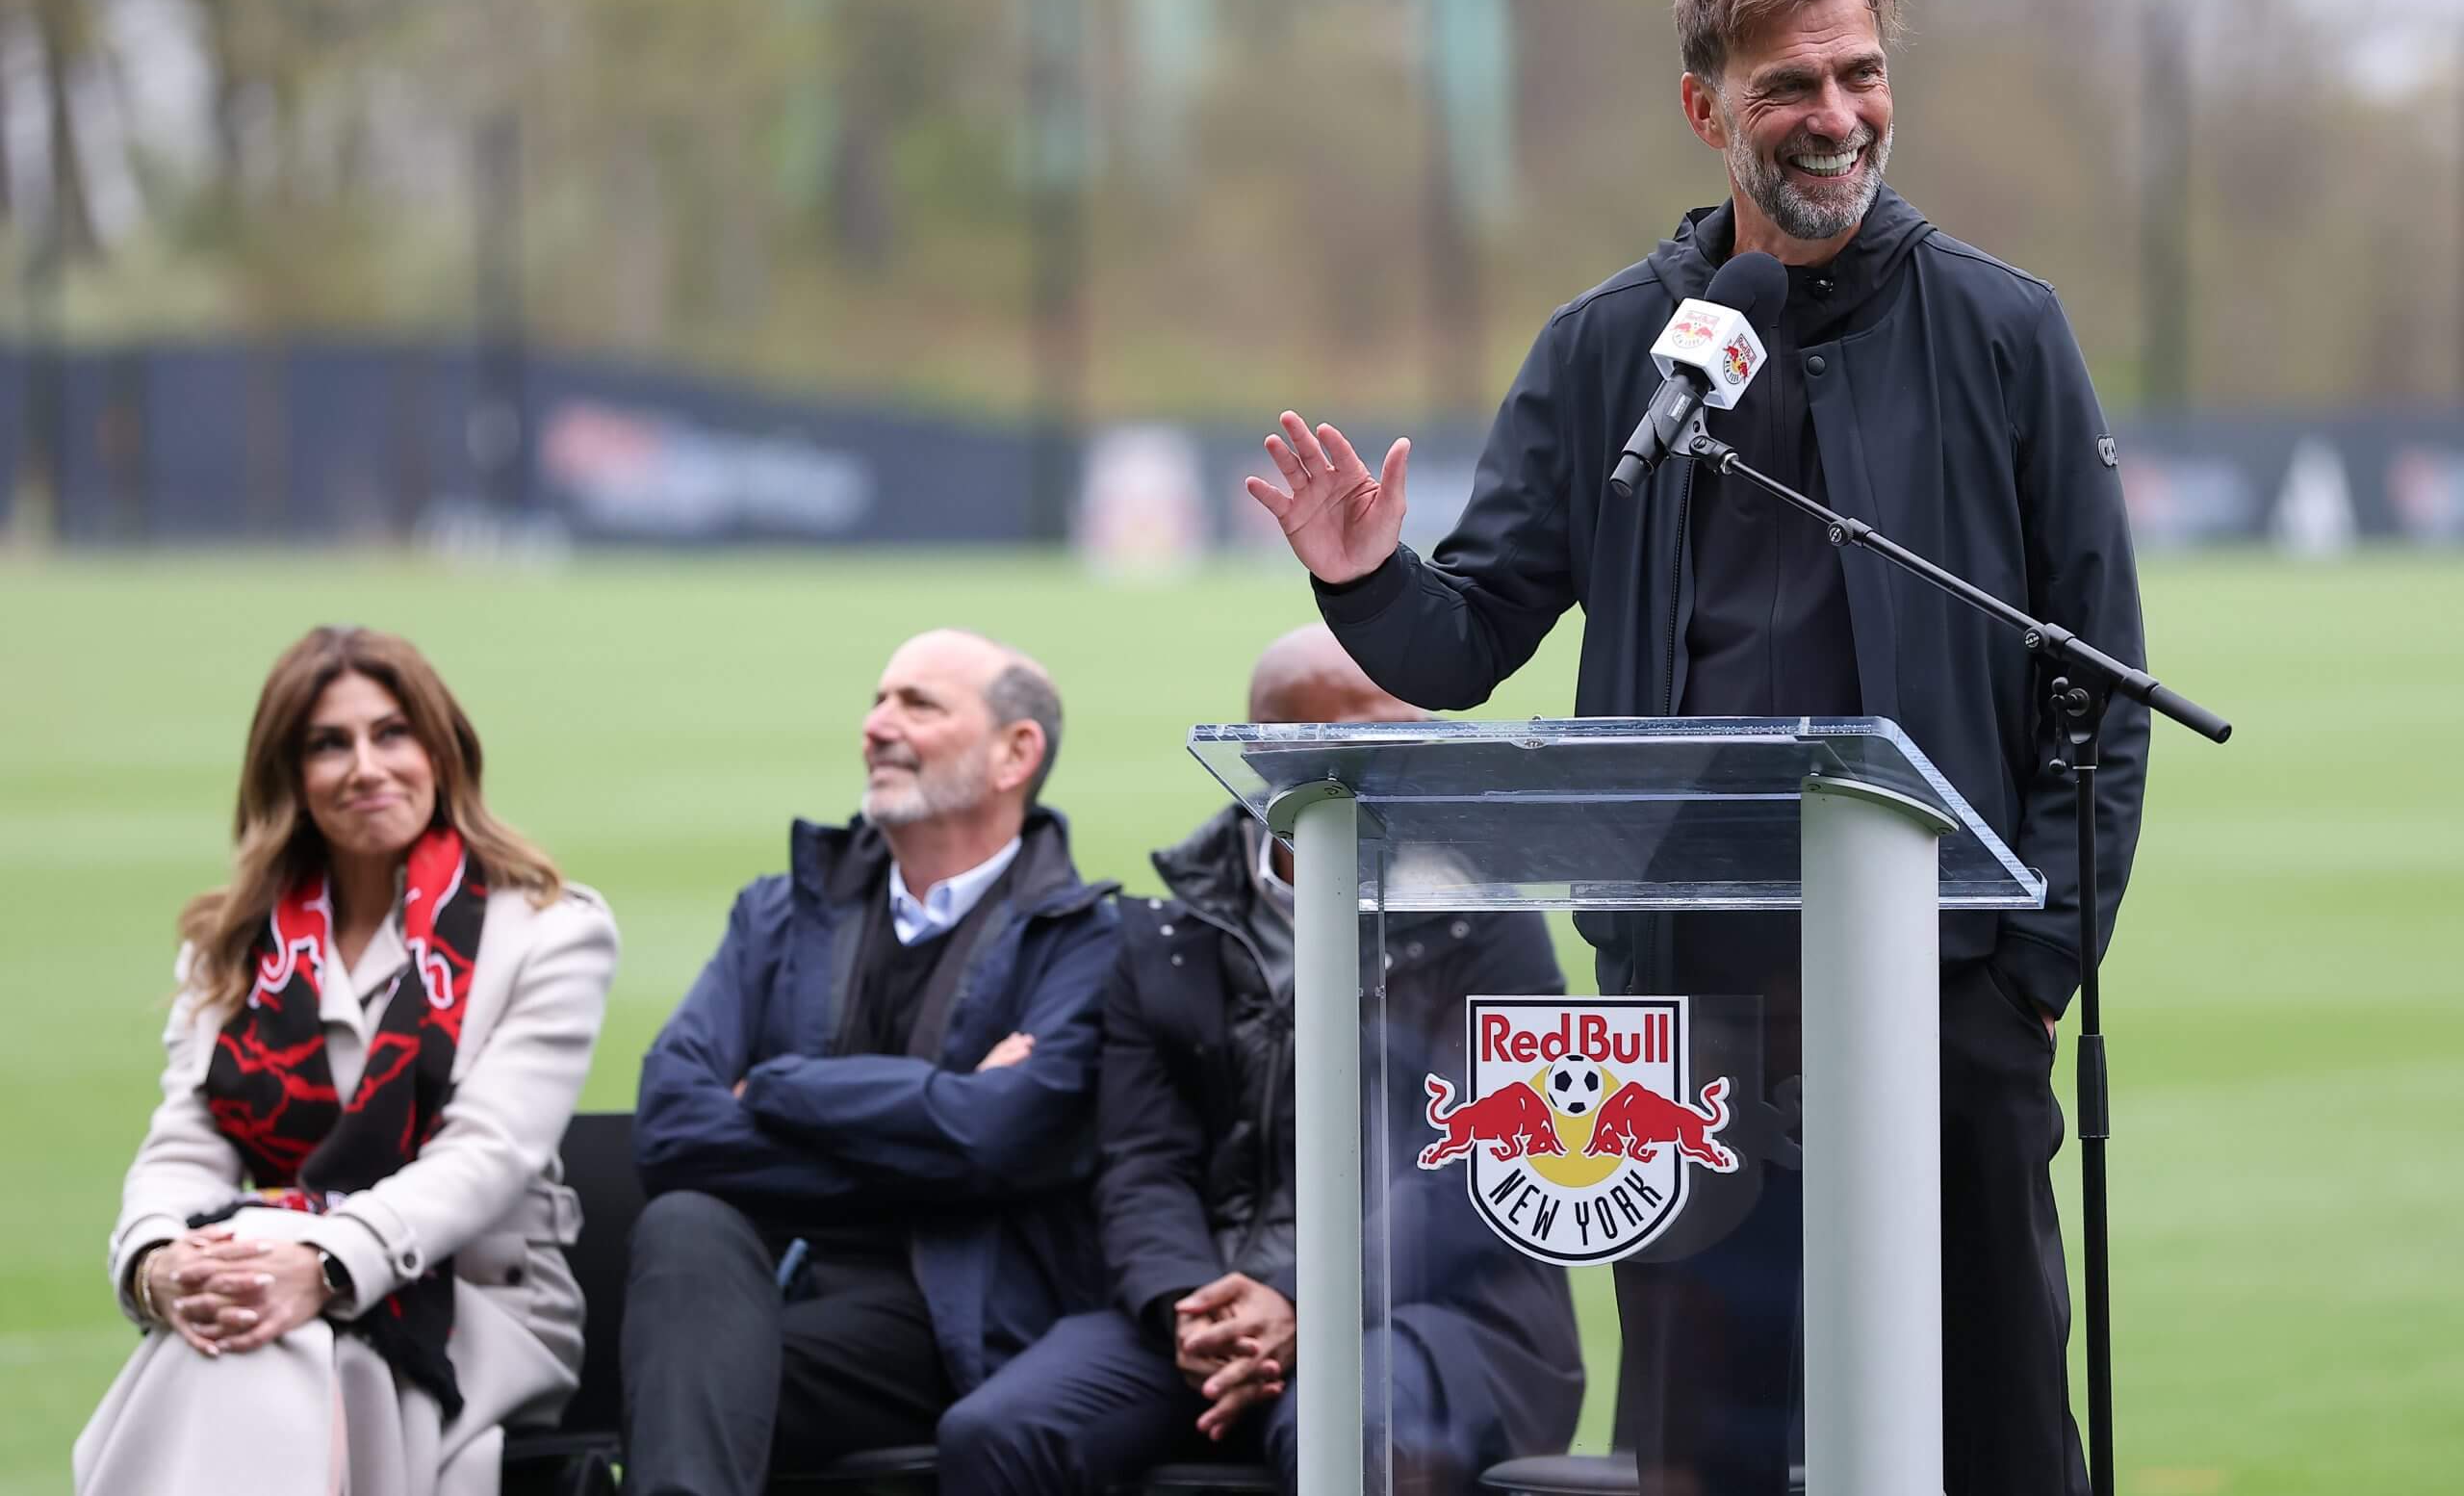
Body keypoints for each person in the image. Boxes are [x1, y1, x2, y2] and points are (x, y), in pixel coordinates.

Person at [1242, 0, 2148, 1496]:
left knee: (1995, 1435)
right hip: (1691, 1007)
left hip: (1944, 992)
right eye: (1790, 84)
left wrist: (2031, 976)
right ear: (1705, 107)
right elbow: (1468, 642)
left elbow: (2097, 686)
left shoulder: (2005, 330)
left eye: (1859, 75)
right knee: (1704, 1455)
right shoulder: (1610, 350)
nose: (1835, 115)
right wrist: (1364, 578)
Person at [940, 626, 1583, 1495]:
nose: (1419, 759)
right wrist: (1188, 1306)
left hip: (1437, 1313)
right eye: (1379, 735)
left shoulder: (1487, 920)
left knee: (1346, 1432)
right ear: (1276, 761)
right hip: (1211, 1301)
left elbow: (1484, 1163)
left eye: (1416, 728)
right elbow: (1143, 1164)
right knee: (996, 1432)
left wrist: (1301, 1295)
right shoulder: (1171, 932)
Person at [75, 626, 621, 1496]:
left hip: (478, 1305)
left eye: (391, 733)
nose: (366, 766)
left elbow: (488, 1154)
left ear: (440, 751)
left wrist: (321, 1264)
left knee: (261, 1331)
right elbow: (185, 1145)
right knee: (248, 1328)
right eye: (329, 744)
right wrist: (157, 1265)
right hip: (269, 1280)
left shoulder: (552, 931)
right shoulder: (235, 944)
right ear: (289, 776)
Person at [622, 629, 1122, 1496]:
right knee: (685, 1227)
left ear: (1017, 752)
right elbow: (669, 1123)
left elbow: (998, 1135)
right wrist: (932, 1128)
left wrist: (773, 1088)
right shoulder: (774, 912)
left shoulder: (1086, 941)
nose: (876, 725)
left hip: (954, 1322)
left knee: (687, 1382)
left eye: (918, 703)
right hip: (772, 1293)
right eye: (878, 699)